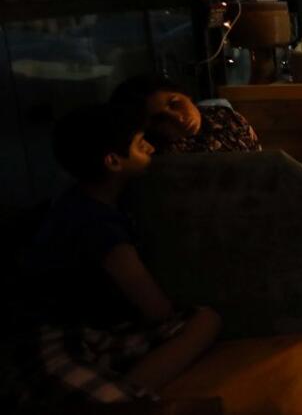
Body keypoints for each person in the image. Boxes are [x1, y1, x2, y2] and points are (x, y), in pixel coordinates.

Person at [109, 75, 302, 348]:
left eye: (175, 104)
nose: (177, 118)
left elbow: (264, 170)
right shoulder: (158, 159)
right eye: (160, 118)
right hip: (222, 230)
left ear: (187, 95)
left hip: (265, 207)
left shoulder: (226, 119)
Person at [15, 104, 220, 407]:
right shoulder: (95, 224)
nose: (150, 147)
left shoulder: (85, 199)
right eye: (140, 145)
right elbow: (155, 308)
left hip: (99, 333)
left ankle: (125, 389)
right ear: (113, 161)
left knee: (206, 320)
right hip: (52, 339)